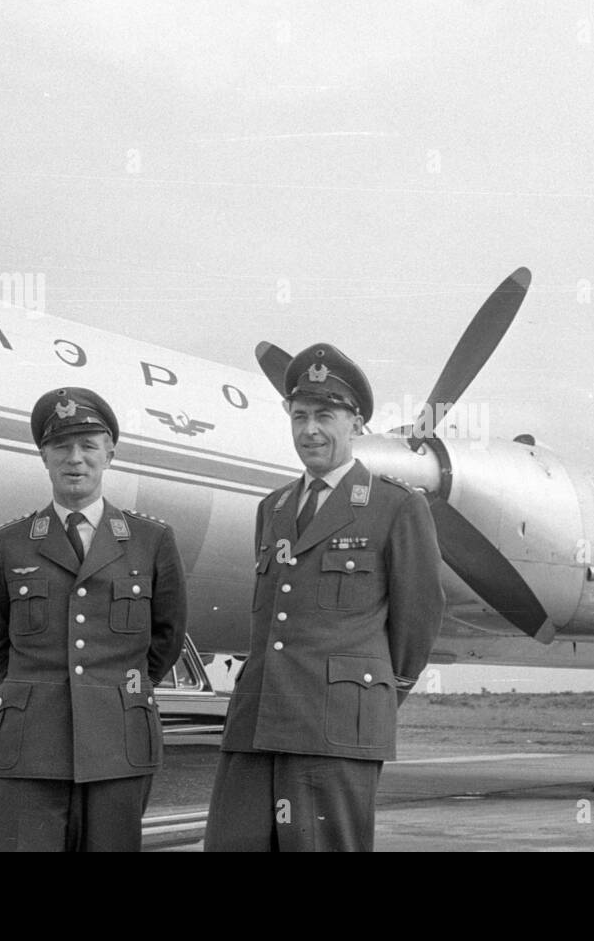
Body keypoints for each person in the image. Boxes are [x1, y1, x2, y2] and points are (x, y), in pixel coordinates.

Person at [204, 343, 445, 852]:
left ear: (356, 423)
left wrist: (366, 698)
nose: (310, 429)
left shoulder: (396, 506)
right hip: (255, 723)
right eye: (299, 416)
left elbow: (416, 622)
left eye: (325, 415)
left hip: (334, 728)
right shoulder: (273, 508)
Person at [0, 387, 186, 851]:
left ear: (109, 454)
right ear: (43, 457)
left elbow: (165, 639)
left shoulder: (152, 540)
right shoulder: (8, 543)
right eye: (61, 447)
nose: (76, 459)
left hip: (118, 745)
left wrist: (111, 692)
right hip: (30, 748)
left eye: (89, 446)